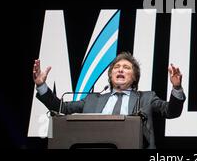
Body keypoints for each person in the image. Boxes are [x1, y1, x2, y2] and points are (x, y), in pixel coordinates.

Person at [32, 51, 185, 149]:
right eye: (117, 67)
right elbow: (62, 109)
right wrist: (41, 85)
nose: (120, 69)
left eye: (126, 67)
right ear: (111, 76)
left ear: (134, 77)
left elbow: (171, 111)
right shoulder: (92, 99)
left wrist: (176, 88)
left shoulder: (146, 98)